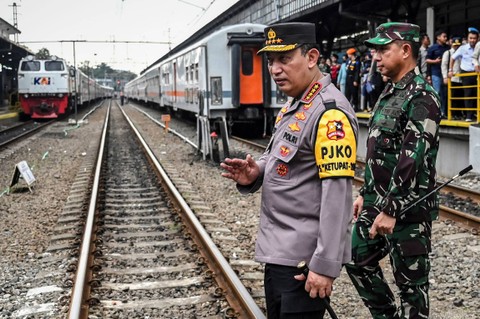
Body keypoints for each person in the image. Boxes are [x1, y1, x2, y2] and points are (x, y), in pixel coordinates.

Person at [220, 22, 359, 319]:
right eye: (271, 61)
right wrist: (256, 171)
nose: (275, 69)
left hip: (303, 263)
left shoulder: (329, 113)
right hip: (280, 254)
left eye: (284, 59)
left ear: (311, 58)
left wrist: (324, 265)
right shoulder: (295, 105)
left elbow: (338, 196)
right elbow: (280, 158)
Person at [345, 22, 441, 319]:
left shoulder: (422, 96)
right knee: (355, 257)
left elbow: (412, 156)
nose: (376, 57)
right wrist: (366, 192)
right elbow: (379, 153)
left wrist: (391, 208)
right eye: (375, 51)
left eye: (383, 50)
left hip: (408, 212)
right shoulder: (390, 92)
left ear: (405, 50)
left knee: (412, 291)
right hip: (378, 203)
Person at [449, 27, 479, 122]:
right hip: (466, 73)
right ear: (468, 38)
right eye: (470, 38)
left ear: (477, 39)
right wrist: (450, 70)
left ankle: (476, 113)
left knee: (477, 93)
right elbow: (453, 58)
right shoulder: (463, 48)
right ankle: (469, 115)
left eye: (474, 38)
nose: (472, 40)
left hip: (477, 73)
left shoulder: (479, 47)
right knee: (468, 94)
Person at [426, 29, 449, 117]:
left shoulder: (447, 47)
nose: (445, 38)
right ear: (438, 37)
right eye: (444, 36)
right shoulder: (433, 48)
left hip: (445, 74)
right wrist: (435, 61)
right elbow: (427, 60)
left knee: (444, 93)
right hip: (436, 73)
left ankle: (443, 112)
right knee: (437, 92)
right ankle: (436, 112)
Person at [442, 37, 463, 119]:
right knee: (451, 97)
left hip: (460, 78)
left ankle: (458, 114)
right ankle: (450, 114)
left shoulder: (461, 53)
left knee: (459, 97)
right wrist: (445, 77)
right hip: (451, 79)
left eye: (458, 45)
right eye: (455, 45)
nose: (456, 47)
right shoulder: (448, 53)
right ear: (452, 44)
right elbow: (443, 65)